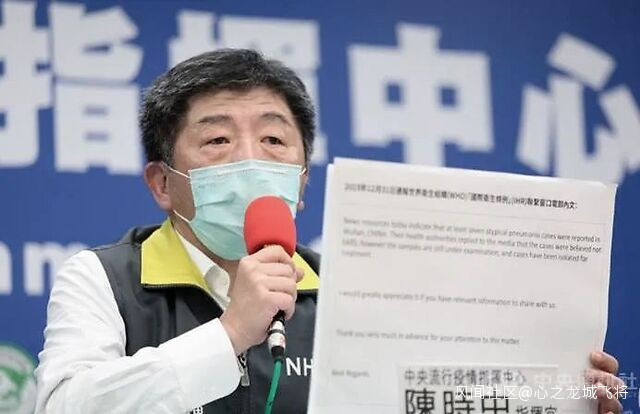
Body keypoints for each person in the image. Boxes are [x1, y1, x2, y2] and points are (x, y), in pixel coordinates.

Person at [35, 49, 624, 414]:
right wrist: (230, 332)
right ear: (162, 183)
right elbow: (61, 407)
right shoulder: (105, 278)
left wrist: (555, 401)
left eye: (273, 139)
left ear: (302, 180)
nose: (250, 159)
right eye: (217, 139)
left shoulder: (351, 291)